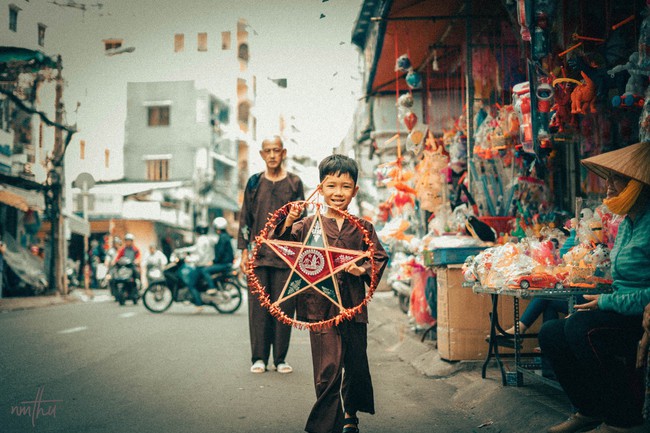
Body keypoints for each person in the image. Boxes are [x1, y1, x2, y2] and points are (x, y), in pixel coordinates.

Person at [540, 142, 650, 433]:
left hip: (640, 317)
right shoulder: (627, 222)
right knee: (552, 332)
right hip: (619, 310)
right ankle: (588, 410)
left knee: (580, 330)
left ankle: (623, 418)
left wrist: (605, 303)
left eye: (617, 180)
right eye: (609, 179)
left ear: (637, 185)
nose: (608, 187)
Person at [279, 155, 388, 433]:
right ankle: (326, 424)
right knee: (327, 369)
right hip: (319, 307)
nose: (338, 193)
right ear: (320, 188)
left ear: (355, 190)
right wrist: (289, 221)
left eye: (345, 186)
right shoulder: (306, 226)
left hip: (353, 306)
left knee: (354, 362)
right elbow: (285, 247)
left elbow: (378, 258)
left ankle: (350, 414)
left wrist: (362, 269)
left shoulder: (364, 228)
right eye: (331, 186)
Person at [238, 135, 305, 374]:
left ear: (284, 152)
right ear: (262, 155)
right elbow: (246, 218)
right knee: (258, 308)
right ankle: (258, 358)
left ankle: (280, 359)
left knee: (284, 307)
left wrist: (297, 217)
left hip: (287, 258)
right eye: (268, 150)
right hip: (258, 255)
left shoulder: (295, 183)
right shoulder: (254, 183)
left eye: (277, 150)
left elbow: (303, 223)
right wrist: (243, 252)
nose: (273, 154)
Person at [184, 225, 214, 314]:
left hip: (201, 266)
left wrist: (189, 259)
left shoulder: (201, 240)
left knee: (191, 285)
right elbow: (195, 249)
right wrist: (183, 250)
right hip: (206, 264)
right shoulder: (206, 239)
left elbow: (200, 256)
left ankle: (198, 304)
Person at [199, 217, 235, 290]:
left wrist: (213, 261)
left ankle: (212, 288)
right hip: (227, 263)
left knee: (204, 270)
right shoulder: (226, 236)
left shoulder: (222, 238)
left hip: (224, 264)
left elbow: (220, 253)